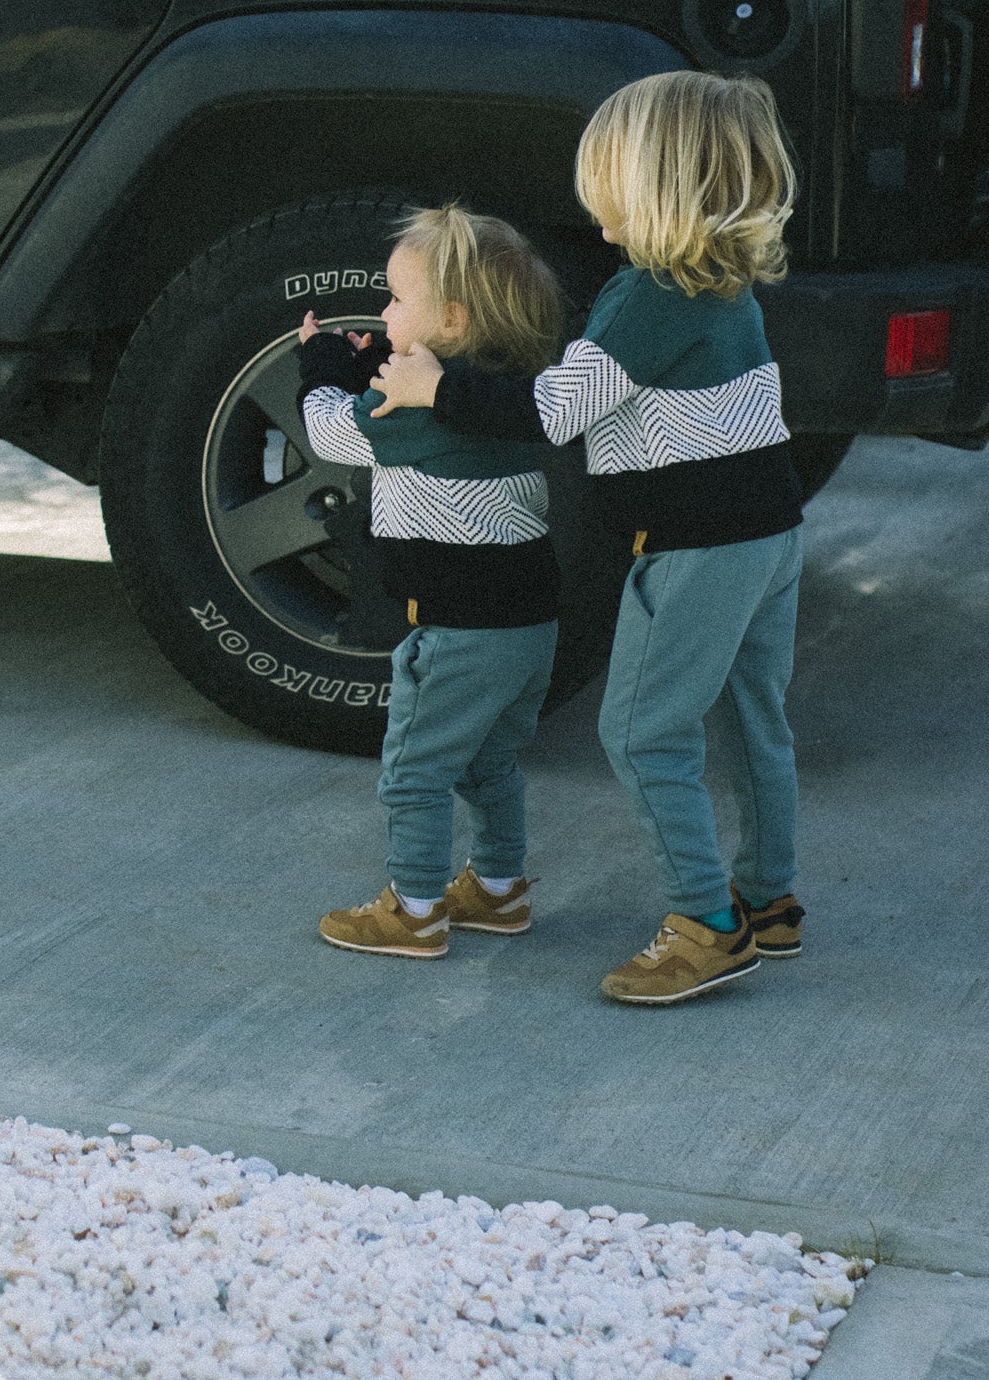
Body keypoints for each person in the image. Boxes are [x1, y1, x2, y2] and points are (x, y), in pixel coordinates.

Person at [371, 73, 803, 1006]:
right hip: (771, 536)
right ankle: (768, 899)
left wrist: (432, 391)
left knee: (642, 729)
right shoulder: (727, 288)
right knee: (752, 716)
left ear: (656, 191)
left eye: (607, 192)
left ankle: (705, 925)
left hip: (694, 550)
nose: (596, 217)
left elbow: (555, 411)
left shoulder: (648, 296)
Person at [301, 206, 565, 960]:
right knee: (489, 762)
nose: (384, 313)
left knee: (413, 770)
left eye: (394, 299)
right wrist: (371, 366)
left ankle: (414, 909)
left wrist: (320, 363)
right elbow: (389, 416)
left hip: (458, 628)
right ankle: (500, 889)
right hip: (528, 625)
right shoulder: (505, 390)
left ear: (450, 318)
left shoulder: (417, 407)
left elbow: (330, 430)